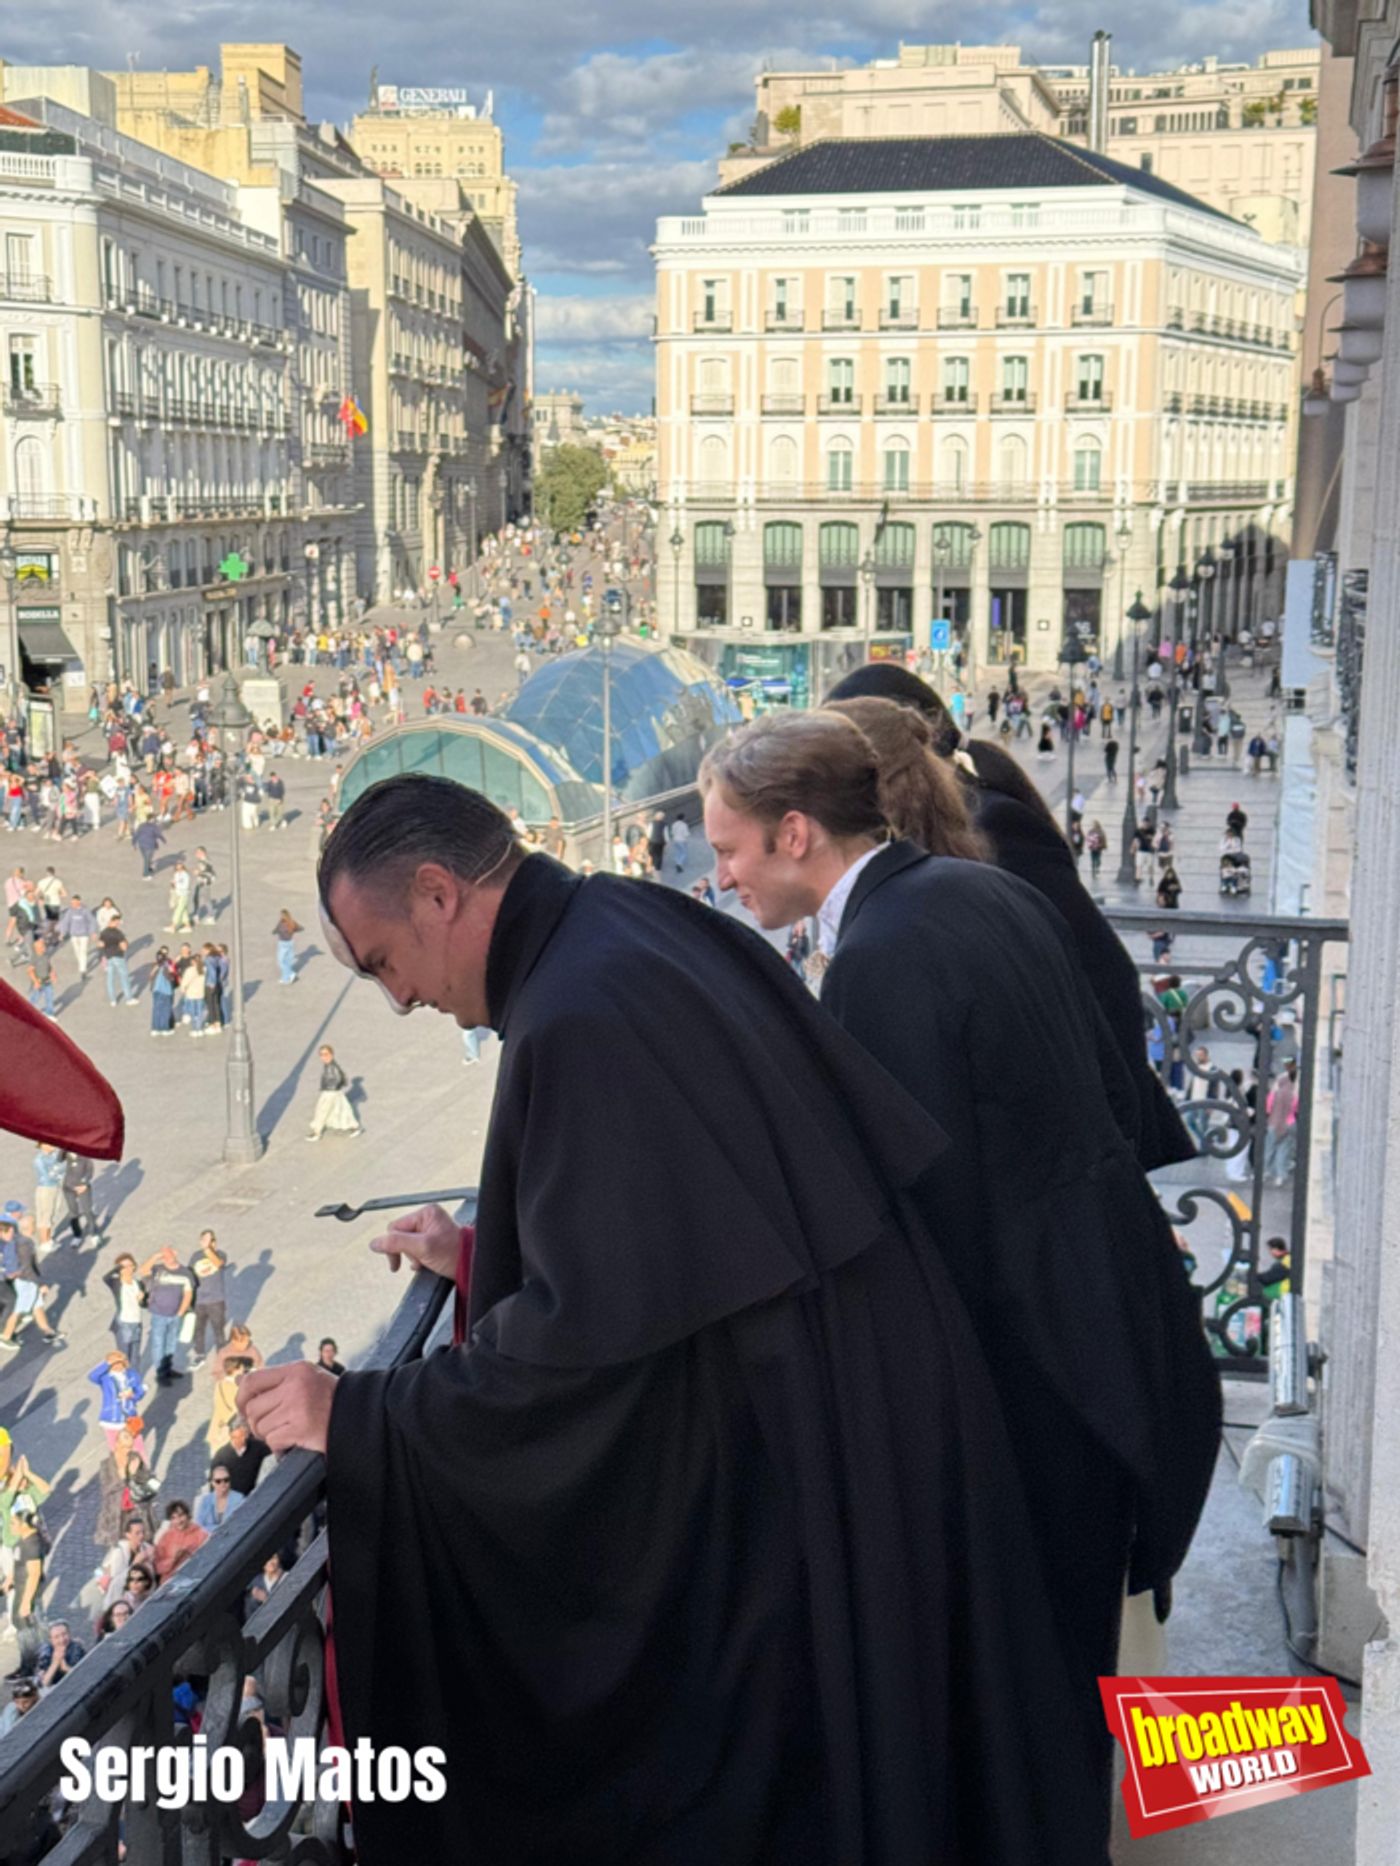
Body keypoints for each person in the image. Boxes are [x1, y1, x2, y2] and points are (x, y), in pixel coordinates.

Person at [240, 771, 1116, 1866]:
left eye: (382, 965)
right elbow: (676, 1232)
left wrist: (362, 1415)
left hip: (807, 1462)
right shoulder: (625, 920)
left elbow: (575, 1357)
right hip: (867, 1400)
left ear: (435, 894)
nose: (399, 999)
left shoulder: (574, 1014)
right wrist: (478, 1255)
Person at [701, 713, 1220, 1821]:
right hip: (1103, 1339)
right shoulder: (970, 890)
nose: (721, 873)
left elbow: (910, 1224)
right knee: (1068, 1691)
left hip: (1032, 1376)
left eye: (730, 847)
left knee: (1025, 1711)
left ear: (794, 833)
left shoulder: (883, 958)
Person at [824, 664, 1194, 1173]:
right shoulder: (903, 839)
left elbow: (1101, 974)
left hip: (1055, 1143)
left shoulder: (993, 823)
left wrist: (1110, 1139)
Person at [139, 1245, 195, 1385]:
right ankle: (161, 1373)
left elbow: (188, 1294)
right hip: (158, 1314)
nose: (166, 1258)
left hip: (175, 1315)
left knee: (171, 1344)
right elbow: (143, 1270)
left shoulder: (185, 1273)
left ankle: (168, 1369)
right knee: (158, 1344)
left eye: (168, 1255)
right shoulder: (157, 1269)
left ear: (175, 1253)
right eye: (163, 1256)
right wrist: (154, 1257)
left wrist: (181, 1312)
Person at [88, 1352, 147, 1455]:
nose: (118, 1365)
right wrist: (106, 1364)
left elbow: (139, 1391)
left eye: (120, 1362)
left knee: (138, 1445)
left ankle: (144, 1467)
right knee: (115, 1447)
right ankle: (119, 1468)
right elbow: (92, 1376)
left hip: (130, 1416)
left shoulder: (132, 1374)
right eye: (114, 1363)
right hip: (111, 1417)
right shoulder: (105, 1377)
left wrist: (132, 1395)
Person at [187, 1231, 228, 1368]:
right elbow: (190, 1275)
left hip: (216, 1300)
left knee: (218, 1330)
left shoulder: (220, 1254)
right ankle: (199, 1355)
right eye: (202, 1239)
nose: (203, 1242)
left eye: (208, 1240)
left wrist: (207, 1249)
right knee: (198, 1329)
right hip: (199, 1300)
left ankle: (222, 1356)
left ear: (214, 1243)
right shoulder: (196, 1256)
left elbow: (218, 1264)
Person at [210, 1418, 271, 1496]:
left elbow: (273, 1459)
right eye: (236, 1437)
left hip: (259, 1494)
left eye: (242, 1436)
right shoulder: (221, 1457)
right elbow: (214, 1487)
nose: (241, 1439)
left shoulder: (258, 1447)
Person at [103, 1253, 146, 1361]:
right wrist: (118, 1267)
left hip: (137, 1322)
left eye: (130, 1265)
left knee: (135, 1357)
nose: (127, 1269)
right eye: (124, 1267)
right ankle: (123, 1376)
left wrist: (143, 1299)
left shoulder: (138, 1283)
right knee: (124, 1356)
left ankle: (135, 1378)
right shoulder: (116, 1283)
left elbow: (143, 1305)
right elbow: (105, 1278)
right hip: (123, 1323)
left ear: (134, 1266)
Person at [152, 1501, 207, 1580]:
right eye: (173, 1518)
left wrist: (189, 1554)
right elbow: (158, 1568)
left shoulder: (201, 1534)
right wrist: (173, 1559)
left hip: (194, 1579)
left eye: (181, 1516)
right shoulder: (166, 1537)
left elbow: (207, 1561)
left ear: (188, 1515)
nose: (178, 1521)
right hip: (170, 1582)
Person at [1265, 1060, 1299, 1184]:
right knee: (1283, 1150)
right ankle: (1280, 1175)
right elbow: (1297, 1108)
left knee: (1269, 1147)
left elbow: (1268, 1107)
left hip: (1273, 1122)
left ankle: (1265, 1171)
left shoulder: (1276, 1092)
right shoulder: (1295, 1092)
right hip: (1289, 1123)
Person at [193, 1465, 246, 1534]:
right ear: (212, 1483)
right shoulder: (205, 1500)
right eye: (218, 1481)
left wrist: (211, 1528)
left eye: (226, 1480)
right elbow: (198, 1527)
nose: (223, 1483)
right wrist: (221, 1529)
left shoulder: (239, 1499)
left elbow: (241, 1525)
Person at [273, 907, 301, 986]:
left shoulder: (282, 923)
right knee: (288, 961)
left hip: (283, 943)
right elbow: (299, 928)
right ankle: (285, 978)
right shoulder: (292, 922)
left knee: (281, 961)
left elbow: (277, 930)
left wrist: (274, 932)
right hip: (290, 942)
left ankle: (290, 974)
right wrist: (293, 931)